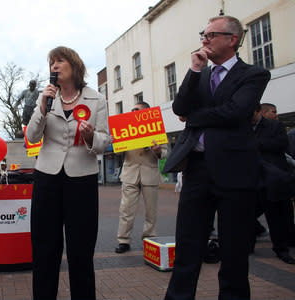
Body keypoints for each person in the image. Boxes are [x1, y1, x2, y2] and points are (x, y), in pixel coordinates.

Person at [162, 16, 271, 300]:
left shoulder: (253, 74)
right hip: (197, 170)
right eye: (203, 35)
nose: (204, 40)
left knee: (234, 250)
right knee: (188, 245)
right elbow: (180, 106)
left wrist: (196, 117)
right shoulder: (201, 74)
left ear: (232, 39)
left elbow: (236, 111)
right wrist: (194, 69)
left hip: (235, 171)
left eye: (211, 35)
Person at [26, 46, 110, 300]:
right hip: (47, 178)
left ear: (74, 65)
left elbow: (105, 142)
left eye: (59, 61)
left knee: (81, 251)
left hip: (81, 178)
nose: (54, 66)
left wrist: (90, 136)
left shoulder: (97, 100)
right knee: (44, 249)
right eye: (51, 62)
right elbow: (31, 136)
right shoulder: (46, 98)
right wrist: (42, 107)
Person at [115, 102, 168, 254]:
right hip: (130, 173)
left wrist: (158, 151)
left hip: (149, 174)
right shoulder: (126, 127)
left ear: (146, 112)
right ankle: (123, 240)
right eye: (132, 109)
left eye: (136, 110)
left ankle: (149, 237)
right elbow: (118, 153)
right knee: (126, 209)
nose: (133, 111)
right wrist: (117, 144)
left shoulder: (156, 128)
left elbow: (164, 153)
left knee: (151, 211)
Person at [250, 104, 295, 264]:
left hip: (272, 179)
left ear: (258, 112)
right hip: (252, 179)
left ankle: (281, 248)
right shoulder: (243, 127)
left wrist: (257, 145)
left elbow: (282, 145)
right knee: (247, 214)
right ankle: (249, 245)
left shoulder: (275, 126)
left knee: (277, 216)